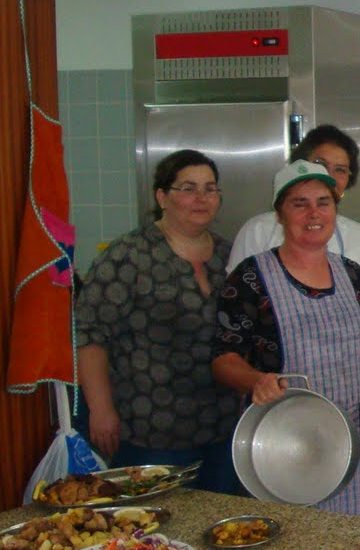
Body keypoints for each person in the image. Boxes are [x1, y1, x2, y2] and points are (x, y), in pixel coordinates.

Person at [212, 160, 360, 515]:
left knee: (350, 540)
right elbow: (223, 360)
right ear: (280, 214)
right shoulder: (251, 277)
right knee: (291, 542)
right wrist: (256, 380)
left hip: (349, 446)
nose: (313, 213)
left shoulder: (351, 273)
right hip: (281, 448)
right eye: (299, 203)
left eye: (324, 202)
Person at [74, 149, 244, 493]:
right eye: (188, 188)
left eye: (210, 189)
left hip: (223, 430)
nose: (201, 198)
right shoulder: (128, 255)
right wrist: (101, 410)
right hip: (150, 431)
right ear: (162, 197)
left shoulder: (231, 256)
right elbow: (90, 335)